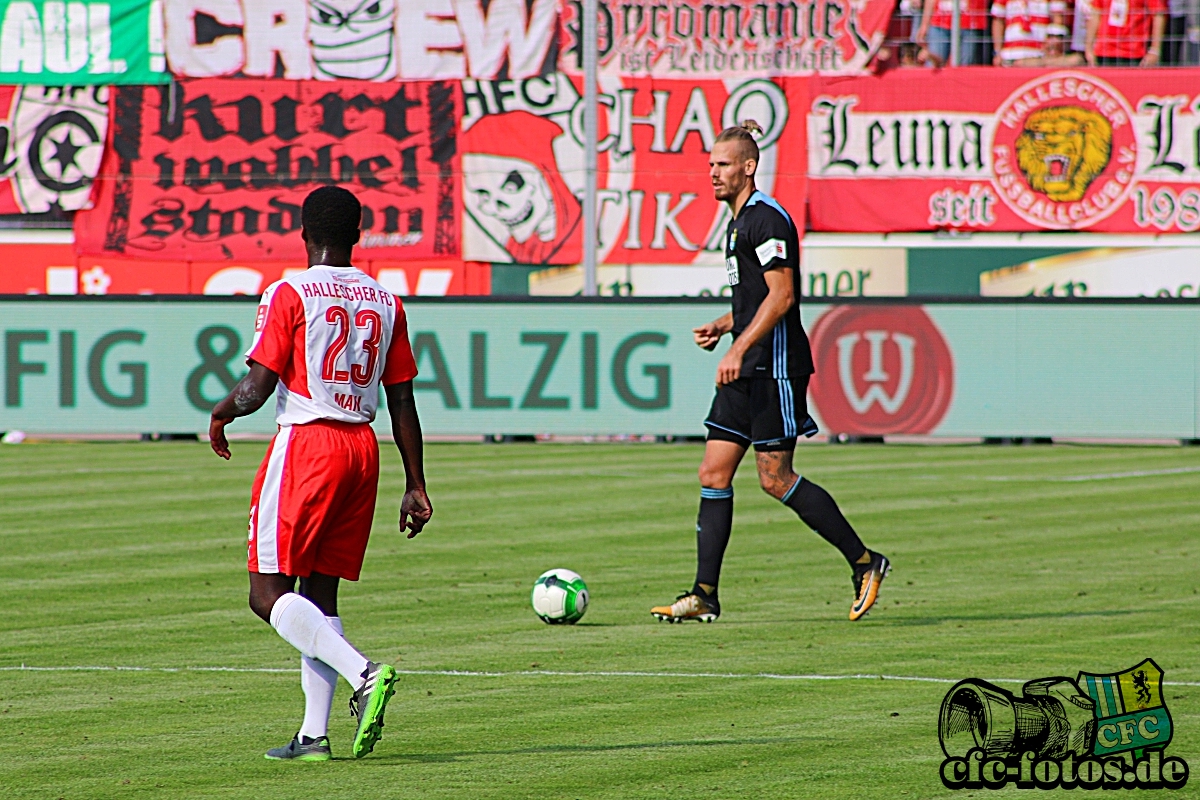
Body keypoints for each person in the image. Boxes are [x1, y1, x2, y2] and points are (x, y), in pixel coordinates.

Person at [208, 185, 432, 761]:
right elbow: (403, 400)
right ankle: (313, 735)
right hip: (364, 448)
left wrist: (221, 411)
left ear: (304, 234)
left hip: (309, 445)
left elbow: (256, 389)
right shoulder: (387, 300)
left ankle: (364, 673)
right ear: (358, 234)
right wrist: (416, 483)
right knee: (320, 591)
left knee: (267, 593)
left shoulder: (289, 291)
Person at [649, 122, 890, 625]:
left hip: (774, 368)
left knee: (775, 479)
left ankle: (866, 562)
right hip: (746, 364)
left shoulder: (767, 220)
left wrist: (739, 347)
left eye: (722, 164)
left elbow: (782, 297)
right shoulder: (737, 223)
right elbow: (757, 300)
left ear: (748, 167)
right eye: (711, 164)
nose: (712, 172)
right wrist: (724, 324)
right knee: (713, 473)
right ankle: (704, 595)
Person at [991, 0, 1077, 64]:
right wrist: (998, 52)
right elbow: (998, 21)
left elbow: (1058, 21)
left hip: (1039, 55)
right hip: (1011, 54)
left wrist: (1051, 49)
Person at [1086, 0, 1166, 64]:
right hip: (1103, 51)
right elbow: (1096, 14)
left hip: (1133, 52)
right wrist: (1088, 48)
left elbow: (1158, 14)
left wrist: (1155, 50)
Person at [916, 0, 993, 64]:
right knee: (934, 64)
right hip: (940, 20)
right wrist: (924, 24)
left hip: (970, 21)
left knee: (965, 68)